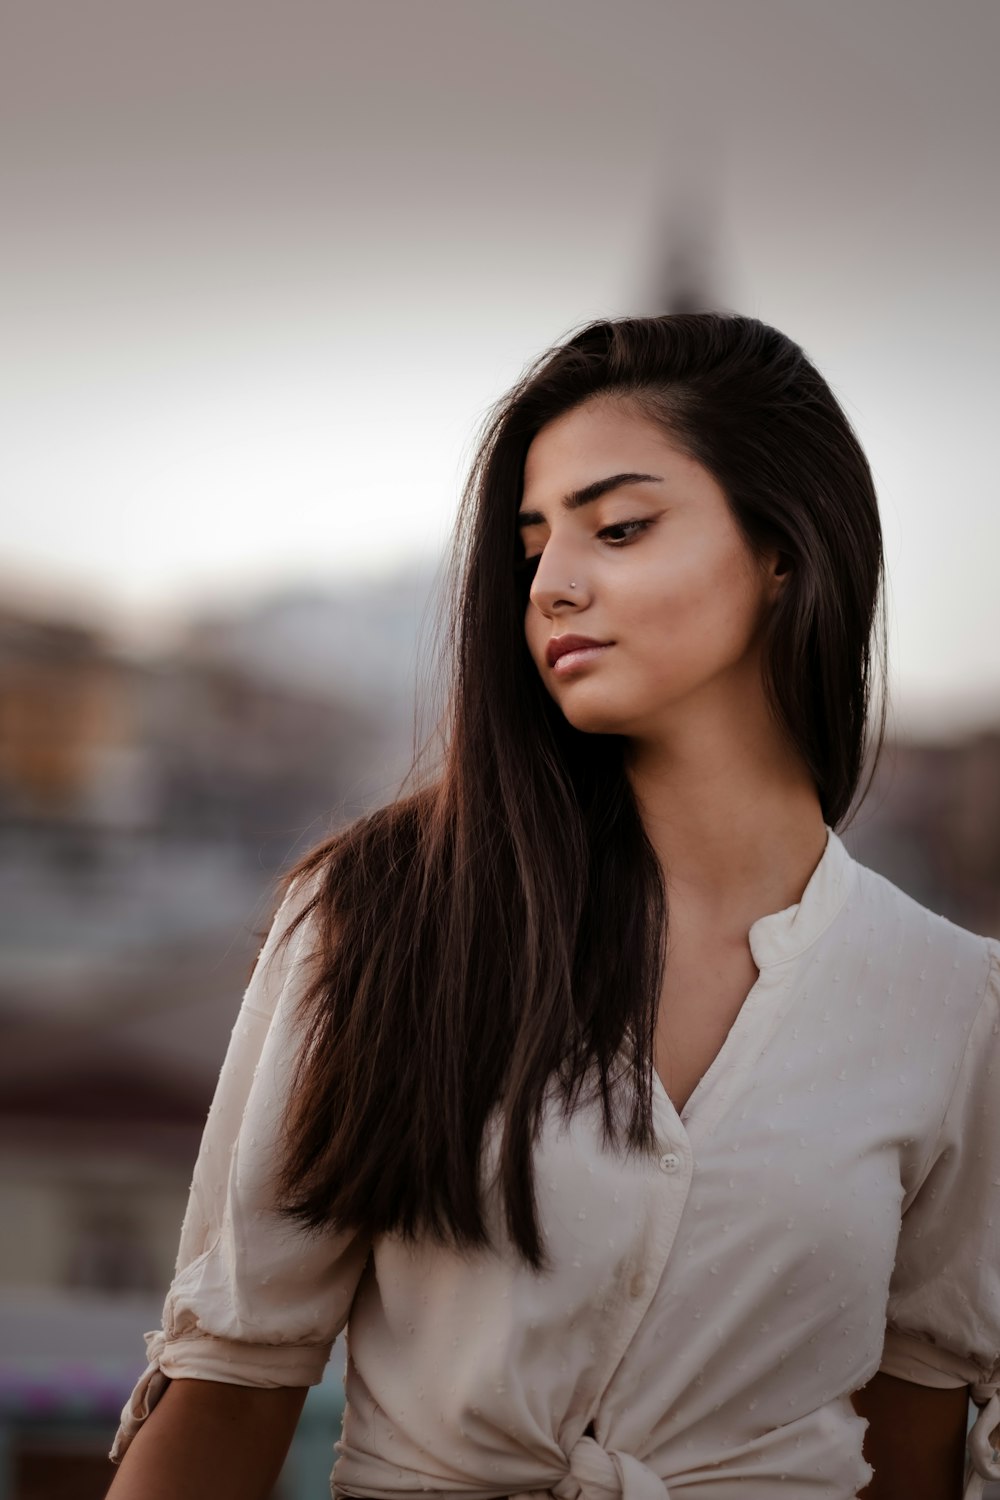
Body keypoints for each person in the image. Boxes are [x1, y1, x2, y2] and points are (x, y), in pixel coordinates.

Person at [104, 313, 1000, 1500]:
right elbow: (232, 1375)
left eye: (618, 529)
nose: (553, 586)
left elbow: (915, 1435)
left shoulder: (947, 999)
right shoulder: (385, 917)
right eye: (531, 544)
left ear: (786, 547)